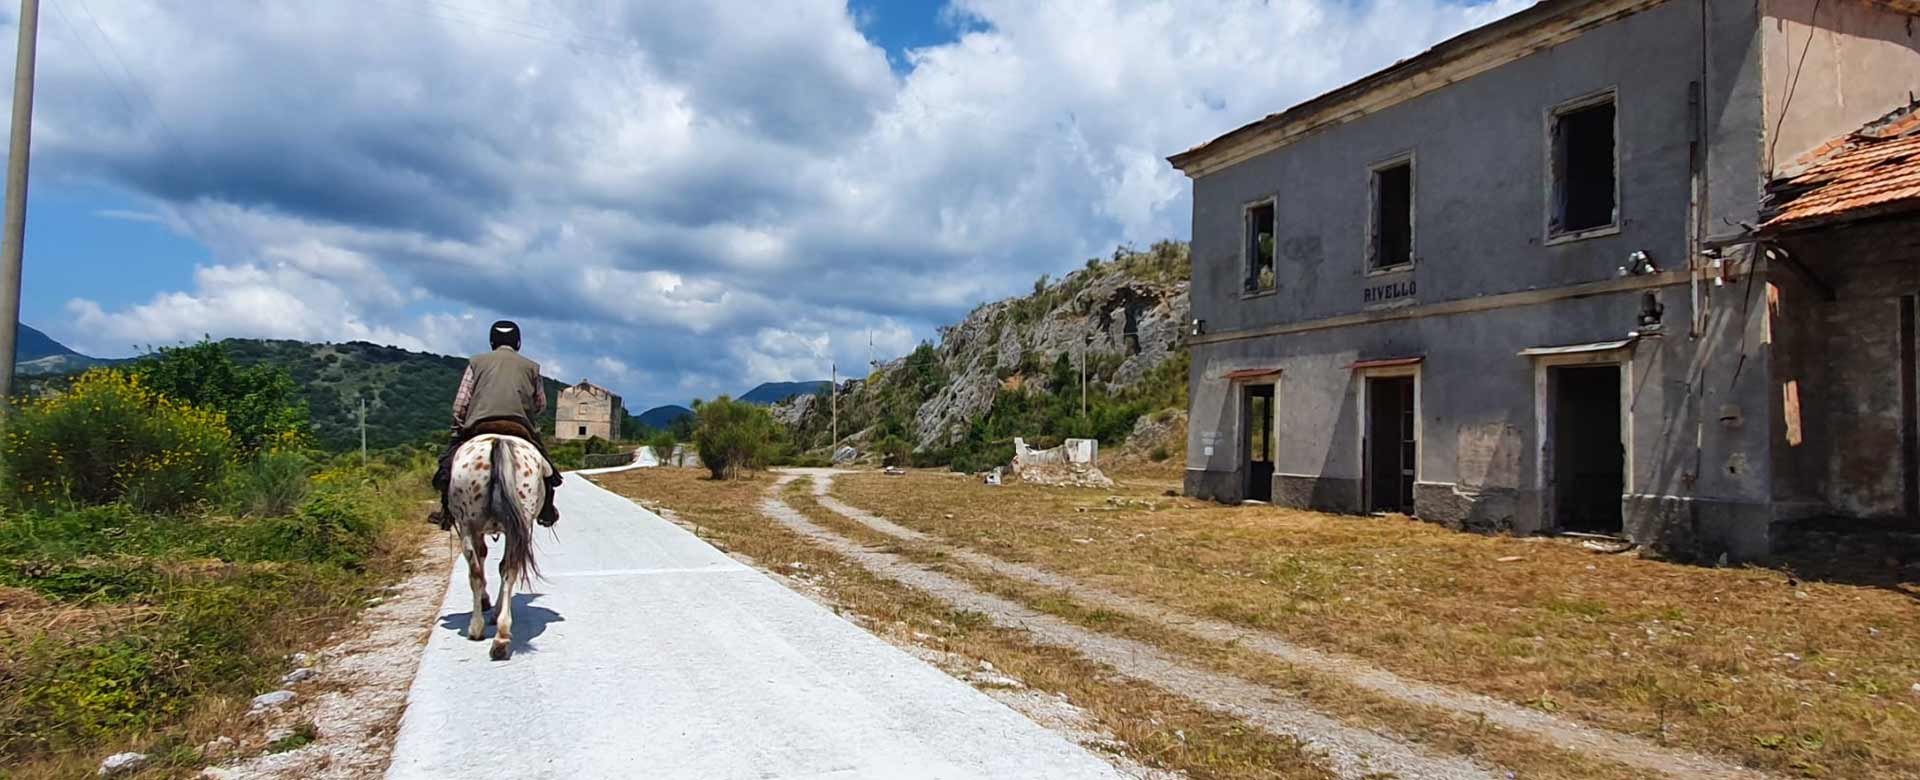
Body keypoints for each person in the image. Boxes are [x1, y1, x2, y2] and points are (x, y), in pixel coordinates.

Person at [428, 320, 563, 529]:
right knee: (549, 472)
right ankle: (546, 510)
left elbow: (460, 404)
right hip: (518, 426)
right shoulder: (532, 367)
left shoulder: (476, 362)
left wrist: (459, 425)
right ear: (518, 342)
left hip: (480, 425)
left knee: (447, 467)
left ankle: (446, 512)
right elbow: (540, 404)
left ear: (492, 341)